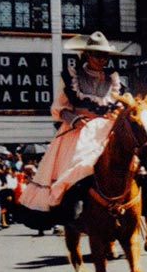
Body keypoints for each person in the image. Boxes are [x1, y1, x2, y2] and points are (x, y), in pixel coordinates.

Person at [18, 32, 126, 228]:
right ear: (86, 55)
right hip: (79, 131)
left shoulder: (113, 80)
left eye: (105, 56)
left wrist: (118, 112)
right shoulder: (71, 77)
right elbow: (58, 108)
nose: (102, 60)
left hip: (105, 129)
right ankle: (72, 208)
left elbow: (120, 105)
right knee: (79, 166)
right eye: (97, 55)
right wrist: (74, 119)